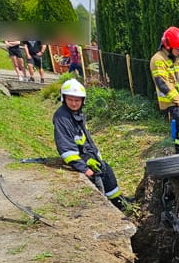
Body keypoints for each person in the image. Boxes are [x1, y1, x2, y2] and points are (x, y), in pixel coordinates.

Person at [53, 79, 130, 210]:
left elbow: (86, 138)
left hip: (86, 154)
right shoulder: (62, 118)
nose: (73, 103)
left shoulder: (78, 114)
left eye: (77, 100)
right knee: (98, 178)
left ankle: (119, 202)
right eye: (70, 99)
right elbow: (66, 150)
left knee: (107, 170)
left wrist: (96, 157)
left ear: (83, 101)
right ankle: (109, 208)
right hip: (78, 158)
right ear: (63, 98)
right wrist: (84, 168)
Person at [150, 26, 179, 153]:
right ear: (168, 46)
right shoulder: (158, 60)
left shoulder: (175, 59)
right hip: (172, 101)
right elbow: (162, 84)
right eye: (178, 49)